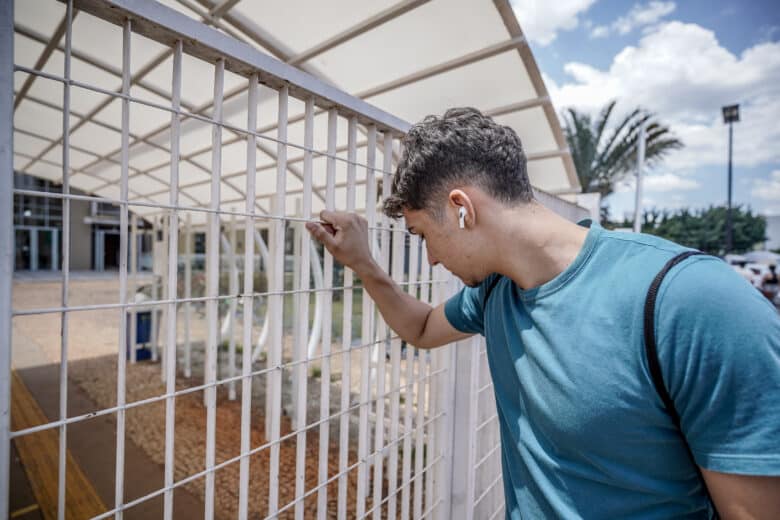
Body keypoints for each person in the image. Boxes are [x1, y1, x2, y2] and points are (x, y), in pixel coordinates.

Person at [306, 108, 780, 518]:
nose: (429, 257)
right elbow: (423, 327)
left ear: (461, 209)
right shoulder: (495, 291)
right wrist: (363, 263)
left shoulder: (691, 300)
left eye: (422, 234)